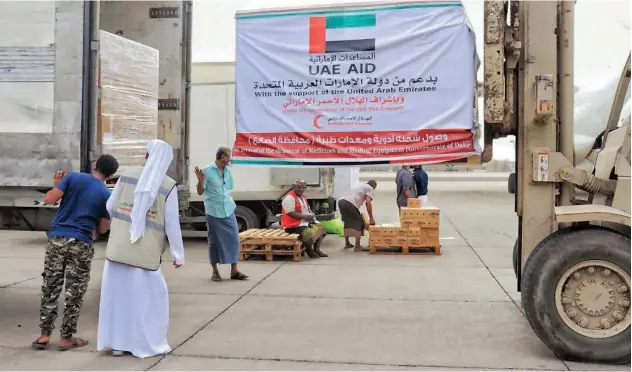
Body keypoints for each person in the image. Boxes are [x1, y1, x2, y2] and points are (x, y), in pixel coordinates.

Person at [96, 139, 185, 358]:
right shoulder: (168, 185)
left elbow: (109, 206)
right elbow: (172, 224)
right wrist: (177, 253)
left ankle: (117, 344)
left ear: (147, 156)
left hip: (118, 251)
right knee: (147, 302)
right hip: (145, 256)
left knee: (118, 299)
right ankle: (144, 345)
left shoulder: (127, 174)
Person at [31, 155, 119, 352]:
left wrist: (56, 185)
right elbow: (104, 228)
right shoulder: (106, 194)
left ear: (95, 165)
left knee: (51, 286)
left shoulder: (73, 178)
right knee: (74, 291)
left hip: (57, 239)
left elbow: (50, 199)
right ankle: (66, 338)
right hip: (81, 242)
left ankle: (44, 335)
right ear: (111, 175)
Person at [194, 146, 248, 282]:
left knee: (234, 239)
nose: (230, 159)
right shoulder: (207, 171)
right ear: (222, 157)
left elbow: (228, 188)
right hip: (214, 211)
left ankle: (234, 270)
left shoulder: (228, 171)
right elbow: (200, 192)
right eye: (228, 156)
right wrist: (200, 180)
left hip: (228, 209)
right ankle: (215, 272)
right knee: (215, 242)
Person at [281, 180, 328, 258]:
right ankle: (309, 250)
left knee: (321, 229)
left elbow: (307, 209)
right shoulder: (289, 198)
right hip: (292, 226)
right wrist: (304, 217)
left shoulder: (302, 197)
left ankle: (317, 249)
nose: (300, 189)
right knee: (309, 233)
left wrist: (312, 217)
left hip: (303, 222)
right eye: (298, 187)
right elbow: (290, 213)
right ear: (293, 187)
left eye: (302, 187)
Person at [338, 180, 377, 251]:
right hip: (350, 203)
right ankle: (357, 246)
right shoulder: (370, 188)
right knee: (360, 223)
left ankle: (347, 243)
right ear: (374, 187)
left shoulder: (360, 186)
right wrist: (371, 219)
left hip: (341, 202)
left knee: (347, 221)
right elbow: (368, 203)